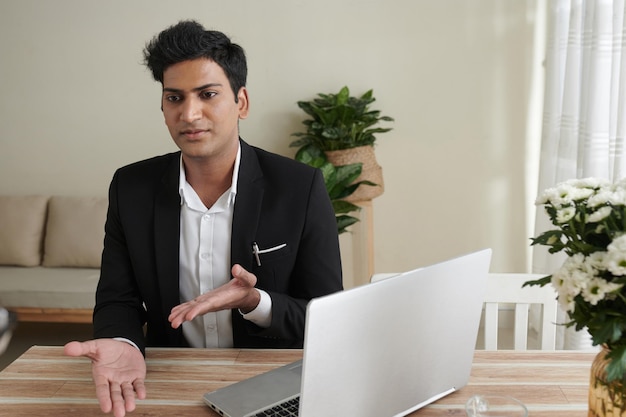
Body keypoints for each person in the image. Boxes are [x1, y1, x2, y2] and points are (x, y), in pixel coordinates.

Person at [64, 20, 343, 417]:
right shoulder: (131, 187)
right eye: (174, 98)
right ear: (163, 108)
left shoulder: (299, 187)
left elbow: (325, 318)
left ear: (241, 102)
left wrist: (254, 300)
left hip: (273, 385)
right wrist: (122, 344)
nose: (189, 113)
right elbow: (118, 299)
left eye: (207, 94)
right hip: (168, 382)